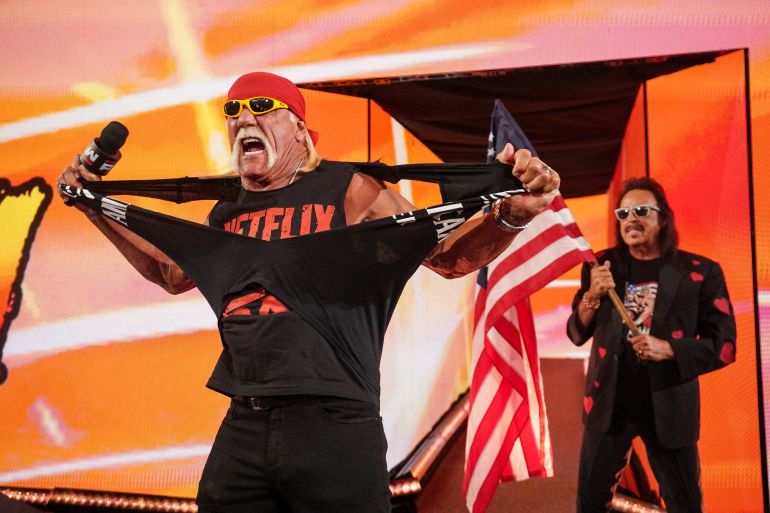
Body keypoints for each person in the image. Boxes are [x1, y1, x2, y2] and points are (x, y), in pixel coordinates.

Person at [57, 71, 561, 513]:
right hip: (245, 419)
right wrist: (90, 206)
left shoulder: (351, 188)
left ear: (299, 128)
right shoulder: (227, 211)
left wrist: (511, 215)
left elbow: (447, 258)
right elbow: (171, 274)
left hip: (333, 422)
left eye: (260, 106)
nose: (243, 118)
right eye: (233, 110)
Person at [566, 177, 736, 513]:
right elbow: (576, 333)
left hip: (670, 407)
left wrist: (669, 349)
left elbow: (725, 344)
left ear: (663, 218)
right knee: (590, 503)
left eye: (641, 211)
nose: (631, 219)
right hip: (609, 405)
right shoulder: (601, 266)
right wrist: (592, 295)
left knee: (685, 504)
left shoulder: (700, 272)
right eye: (623, 213)